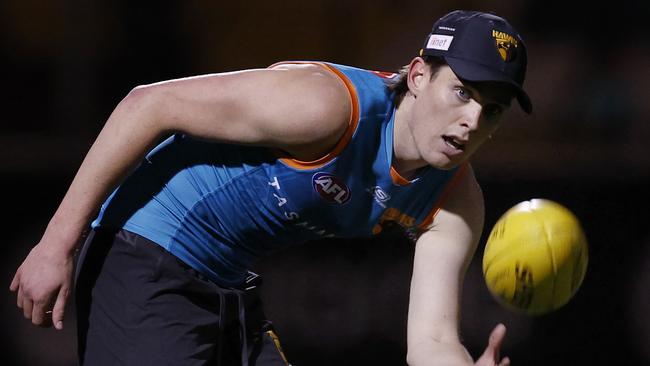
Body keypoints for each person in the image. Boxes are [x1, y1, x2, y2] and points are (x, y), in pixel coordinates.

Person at [10, 10, 532, 366]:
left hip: (232, 287)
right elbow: (148, 104)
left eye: (493, 110)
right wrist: (57, 244)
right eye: (461, 92)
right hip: (143, 257)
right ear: (418, 76)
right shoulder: (327, 107)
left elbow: (433, 341)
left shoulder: (455, 198)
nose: (471, 120)